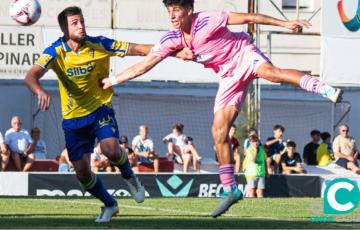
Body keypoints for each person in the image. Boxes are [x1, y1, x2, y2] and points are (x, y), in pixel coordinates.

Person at [101, 0, 342, 217]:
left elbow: (250, 18)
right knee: (218, 132)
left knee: (272, 74)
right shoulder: (171, 40)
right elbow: (144, 65)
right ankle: (230, 190)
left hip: (244, 54)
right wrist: (112, 81)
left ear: (188, 10)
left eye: (176, 10)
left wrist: (285, 23)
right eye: (168, 10)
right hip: (228, 76)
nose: (172, 15)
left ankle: (324, 89)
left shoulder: (207, 20)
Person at [22, 6, 167, 223]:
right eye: (75, 23)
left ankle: (129, 176)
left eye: (82, 21)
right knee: (82, 173)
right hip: (73, 118)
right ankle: (110, 204)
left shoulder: (99, 43)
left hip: (100, 108)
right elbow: (31, 76)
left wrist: (168, 48)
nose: (81, 26)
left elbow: (136, 49)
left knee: (110, 148)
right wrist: (39, 90)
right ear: (64, 28)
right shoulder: (55, 51)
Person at [243, 133, 266, 198]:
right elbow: (253, 160)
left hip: (261, 174)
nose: (256, 143)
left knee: (260, 192)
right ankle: (252, 206)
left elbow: (264, 161)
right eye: (253, 142)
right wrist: (255, 150)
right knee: (252, 191)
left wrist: (266, 171)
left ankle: (261, 207)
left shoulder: (261, 150)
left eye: (256, 141)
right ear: (250, 142)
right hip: (251, 174)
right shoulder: (249, 150)